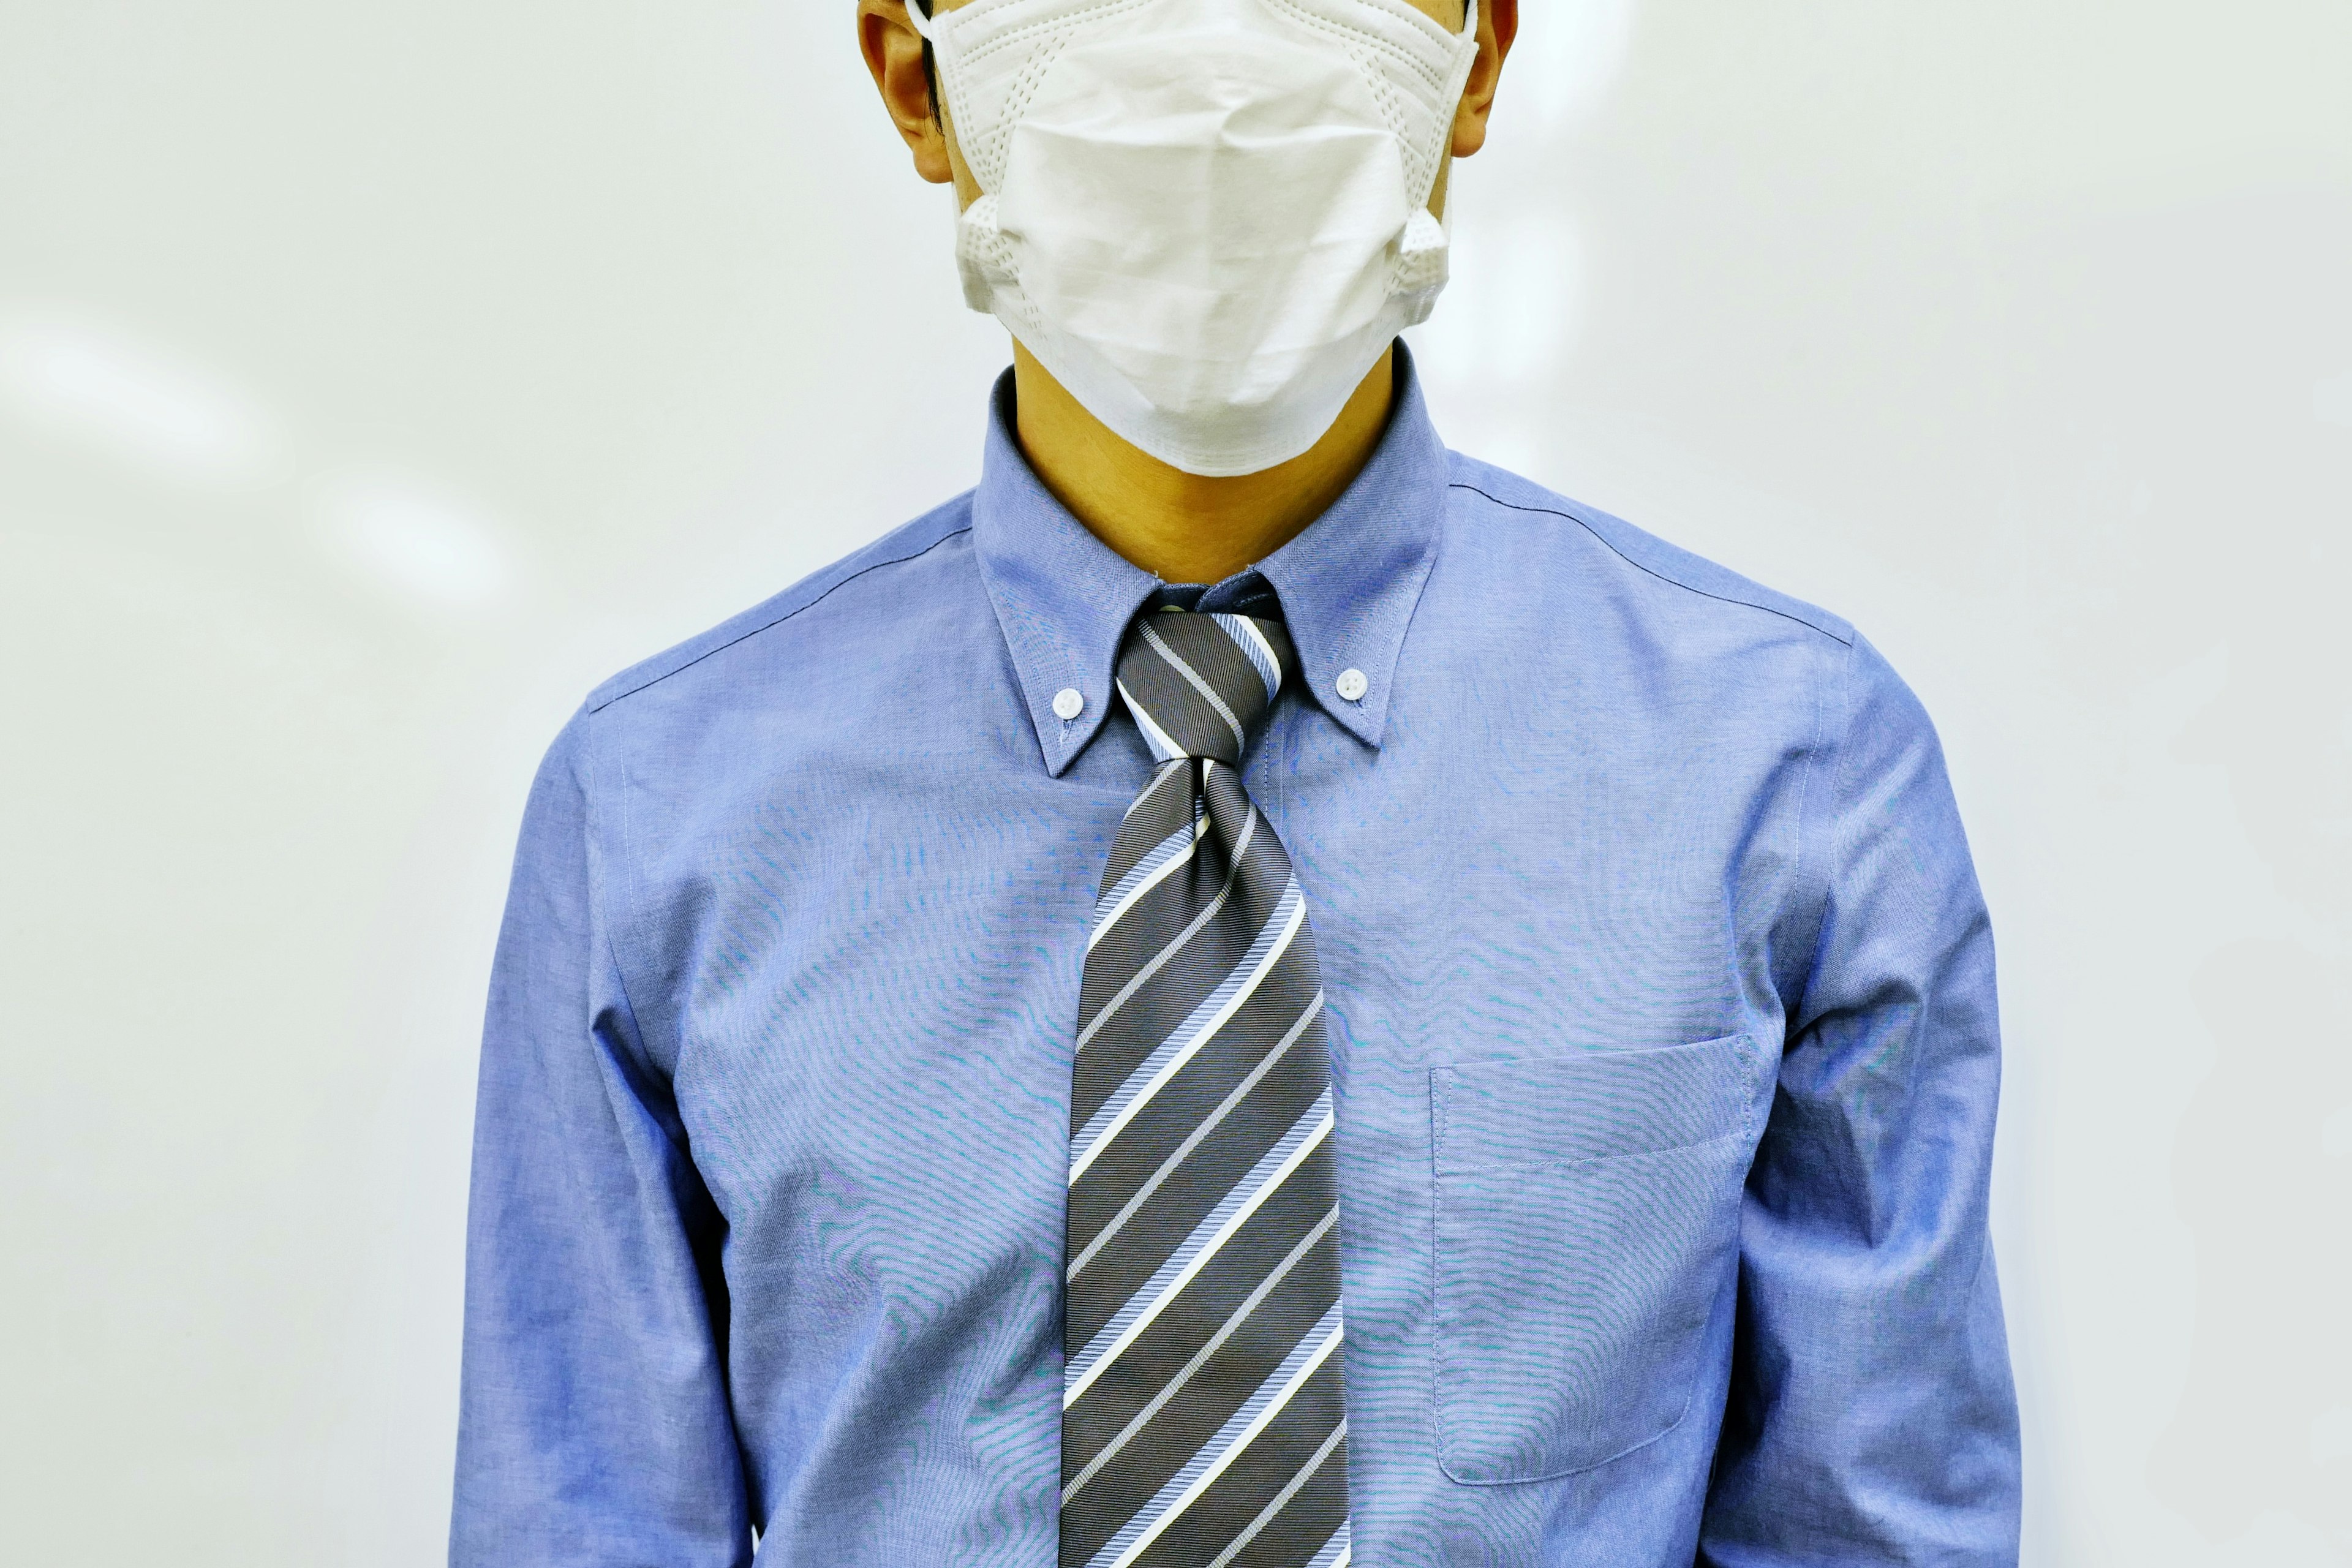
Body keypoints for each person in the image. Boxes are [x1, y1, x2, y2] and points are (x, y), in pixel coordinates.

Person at [448, 0, 2023, 1562]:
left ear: (1478, 51)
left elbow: (1871, 1534)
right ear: (912, 77)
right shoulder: (659, 814)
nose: (1212, 46)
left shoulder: (1790, 773)